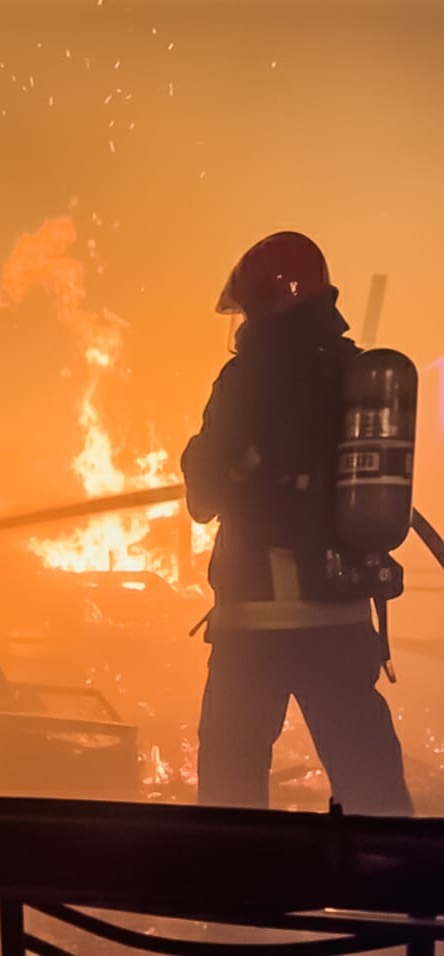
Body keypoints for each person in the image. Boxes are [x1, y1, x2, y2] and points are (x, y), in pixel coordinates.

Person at [181, 232, 412, 815]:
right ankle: (397, 896)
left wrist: (205, 461)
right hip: (342, 618)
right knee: (372, 786)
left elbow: (203, 494)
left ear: (263, 303)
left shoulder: (246, 379)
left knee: (229, 793)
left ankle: (233, 902)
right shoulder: (355, 374)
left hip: (253, 624)